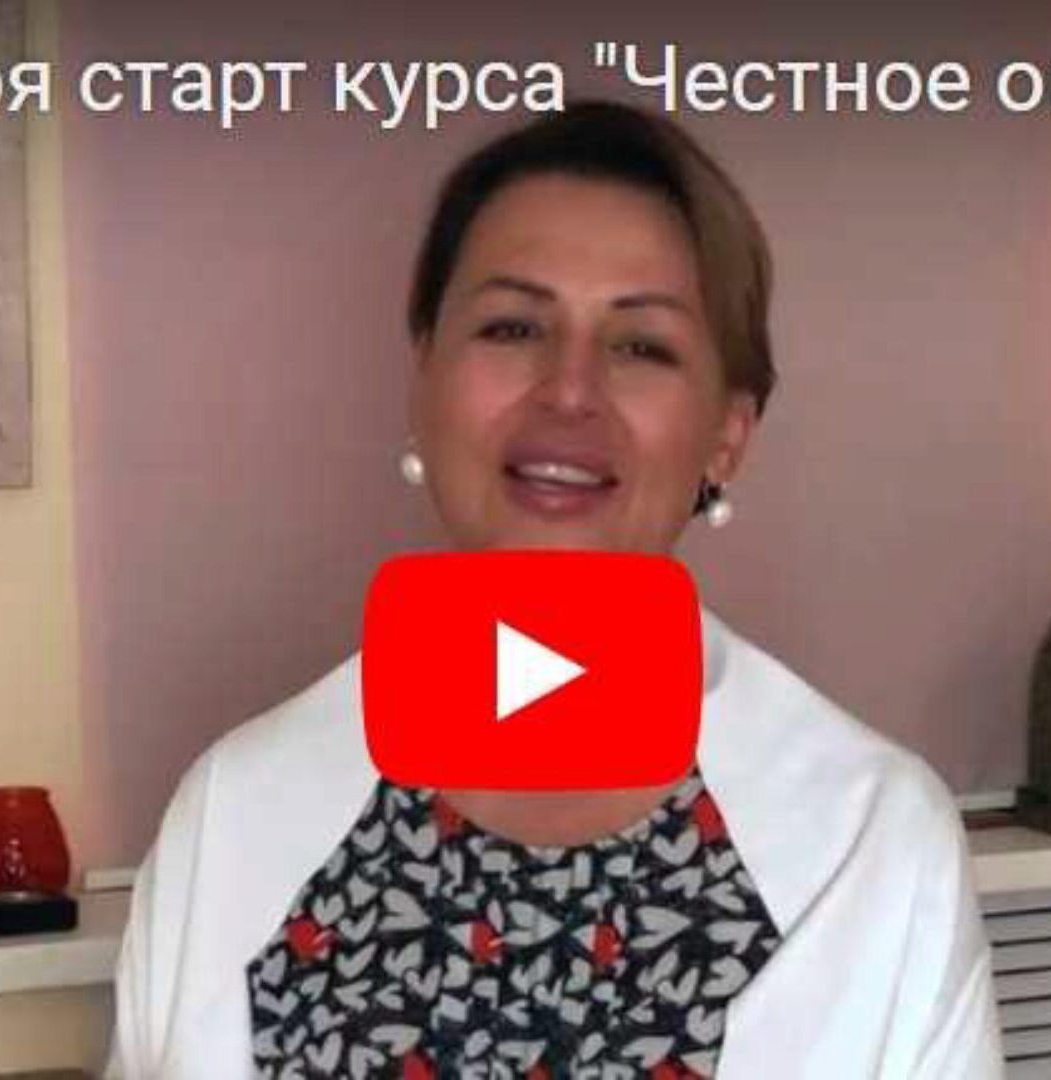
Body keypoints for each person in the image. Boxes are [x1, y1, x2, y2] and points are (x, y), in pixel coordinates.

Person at [107, 101, 1003, 1078]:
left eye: (642, 346)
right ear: (424, 381)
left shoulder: (877, 844)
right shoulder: (233, 813)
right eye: (512, 326)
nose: (570, 389)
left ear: (726, 437)